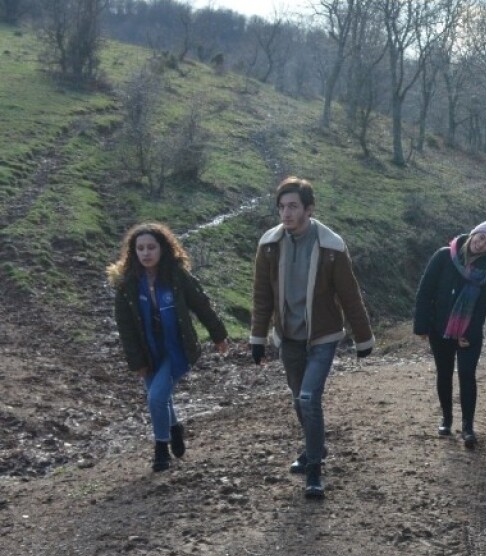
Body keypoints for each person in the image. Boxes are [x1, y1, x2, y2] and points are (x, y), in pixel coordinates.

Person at [251, 176, 375, 499]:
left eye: (293, 206)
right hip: (288, 336)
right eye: (281, 207)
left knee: (308, 398)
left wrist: (363, 338)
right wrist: (257, 337)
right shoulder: (269, 245)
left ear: (308, 208)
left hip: (322, 335)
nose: (286, 213)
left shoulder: (331, 246)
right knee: (298, 399)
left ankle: (314, 471)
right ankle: (313, 448)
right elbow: (262, 295)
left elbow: (350, 295)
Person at [109, 223, 229, 472]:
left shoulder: (177, 276)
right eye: (140, 248)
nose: (146, 253)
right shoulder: (127, 284)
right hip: (148, 351)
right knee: (160, 398)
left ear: (163, 248)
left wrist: (218, 335)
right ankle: (174, 428)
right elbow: (126, 328)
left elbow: (201, 304)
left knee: (156, 398)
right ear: (133, 252)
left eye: (151, 247)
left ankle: (161, 449)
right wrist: (137, 362)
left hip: (177, 349)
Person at [414, 220, 486, 449]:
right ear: (473, 234)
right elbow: (425, 291)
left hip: (468, 332)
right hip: (440, 327)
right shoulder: (443, 256)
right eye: (481, 237)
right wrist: (421, 326)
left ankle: (468, 427)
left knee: (467, 375)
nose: (482, 244)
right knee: (444, 373)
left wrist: (469, 333)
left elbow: (483, 305)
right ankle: (446, 419)